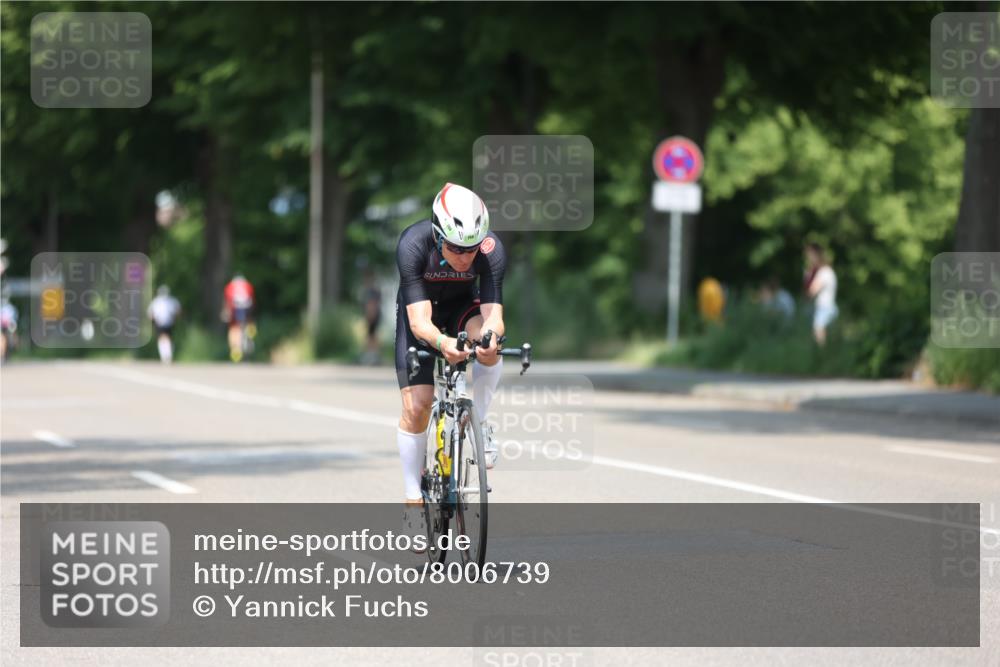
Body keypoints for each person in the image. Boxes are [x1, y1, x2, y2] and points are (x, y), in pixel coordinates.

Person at [395, 183, 506, 534]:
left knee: (489, 347)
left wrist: (491, 341)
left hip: (462, 308)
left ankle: (481, 424)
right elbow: (418, 321)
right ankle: (413, 498)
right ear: (438, 233)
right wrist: (442, 344)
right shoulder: (413, 244)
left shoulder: (490, 250)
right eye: (457, 248)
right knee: (418, 406)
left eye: (471, 248)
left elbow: (494, 316)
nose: (465, 257)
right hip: (422, 314)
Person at [805, 243, 838, 345]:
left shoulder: (824, 272)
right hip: (825, 308)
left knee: (818, 331)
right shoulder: (826, 271)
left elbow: (812, 291)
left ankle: (821, 355)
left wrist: (809, 277)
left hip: (825, 308)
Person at [223, 273, 256, 362]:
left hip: (235, 307)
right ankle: (250, 335)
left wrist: (226, 314)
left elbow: (227, 302)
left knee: (234, 327)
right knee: (249, 321)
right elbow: (252, 301)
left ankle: (235, 349)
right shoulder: (248, 285)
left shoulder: (230, 286)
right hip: (247, 307)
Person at [148, 285, 182, 363]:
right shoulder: (171, 300)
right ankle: (167, 356)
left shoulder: (157, 301)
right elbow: (178, 311)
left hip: (161, 322)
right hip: (167, 322)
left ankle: (165, 356)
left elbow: (150, 314)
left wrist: (152, 321)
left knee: (163, 338)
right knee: (166, 338)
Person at [361, 271, 382, 365]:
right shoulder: (370, 291)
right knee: (371, 335)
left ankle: (372, 355)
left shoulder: (372, 291)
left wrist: (370, 315)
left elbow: (372, 304)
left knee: (372, 335)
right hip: (372, 315)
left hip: (373, 315)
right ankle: (372, 355)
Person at [0, 297, 18, 364]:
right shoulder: (6, 308)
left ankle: (14, 344)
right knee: (3, 341)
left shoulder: (10, 308)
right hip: (3, 326)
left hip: (9, 325)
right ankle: (3, 356)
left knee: (12, 336)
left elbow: (13, 319)